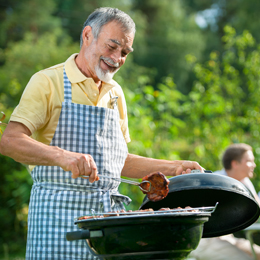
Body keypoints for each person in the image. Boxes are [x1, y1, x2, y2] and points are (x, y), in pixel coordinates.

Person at [0, 7, 204, 260]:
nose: (117, 58)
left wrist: (174, 167)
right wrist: (62, 156)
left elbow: (119, 162)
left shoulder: (115, 93)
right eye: (112, 46)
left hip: (109, 230)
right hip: (57, 224)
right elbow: (9, 141)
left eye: (125, 52)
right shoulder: (47, 82)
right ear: (87, 35)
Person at [190, 143, 260, 260]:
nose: (254, 165)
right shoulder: (216, 183)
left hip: (227, 238)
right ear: (235, 164)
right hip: (206, 240)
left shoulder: (245, 182)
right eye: (249, 161)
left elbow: (256, 211)